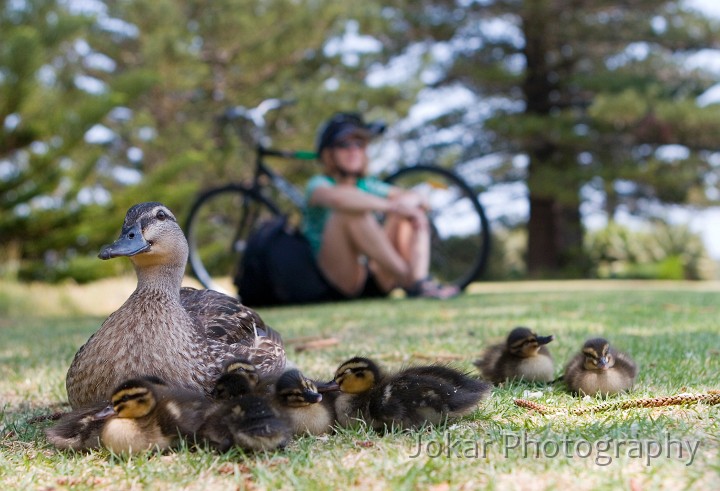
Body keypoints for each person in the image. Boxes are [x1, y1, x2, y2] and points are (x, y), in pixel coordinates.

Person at [302, 112, 460, 300]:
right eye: (344, 145)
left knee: (409, 211)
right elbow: (339, 200)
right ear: (329, 153)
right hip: (341, 279)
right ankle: (414, 283)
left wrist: (407, 208)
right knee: (350, 212)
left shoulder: (368, 185)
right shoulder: (318, 183)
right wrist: (392, 206)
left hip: (378, 275)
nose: (353, 150)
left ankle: (419, 279)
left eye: (359, 145)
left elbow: (417, 198)